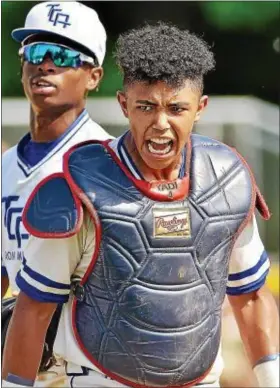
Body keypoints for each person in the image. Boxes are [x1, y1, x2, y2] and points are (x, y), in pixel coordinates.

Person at [2, 22, 279, 388]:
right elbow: (34, 308)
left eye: (176, 108)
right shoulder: (78, 188)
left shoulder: (227, 180)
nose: (161, 123)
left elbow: (251, 295)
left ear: (201, 108)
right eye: (146, 106)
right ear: (123, 104)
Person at [1, 0, 111, 383]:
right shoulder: (5, 166)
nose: (44, 64)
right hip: (26, 364)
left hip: (93, 369)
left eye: (61, 55)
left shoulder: (107, 163)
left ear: (94, 76)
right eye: (35, 51)